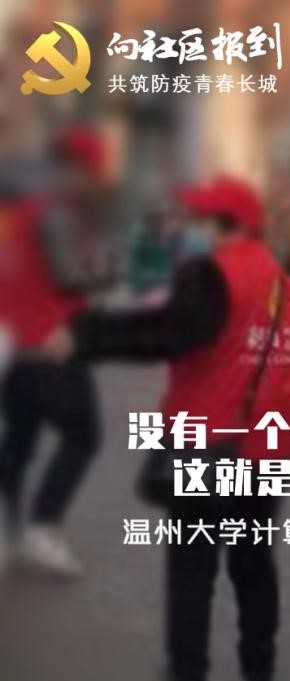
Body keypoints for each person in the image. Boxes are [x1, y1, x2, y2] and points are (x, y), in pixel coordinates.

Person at [56, 175, 290, 681]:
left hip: (206, 445)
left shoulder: (211, 274)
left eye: (203, 218)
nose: (195, 227)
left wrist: (86, 336)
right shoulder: (283, 282)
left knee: (192, 574)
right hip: (268, 449)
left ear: (227, 224)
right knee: (253, 561)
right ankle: (259, 669)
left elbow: (166, 334)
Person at [0, 125, 117, 576]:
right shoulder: (57, 214)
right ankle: (41, 530)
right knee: (84, 435)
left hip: (18, 345)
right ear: (79, 169)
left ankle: (10, 532)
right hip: (51, 344)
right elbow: (72, 277)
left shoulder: (25, 211)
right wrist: (108, 268)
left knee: (20, 437)